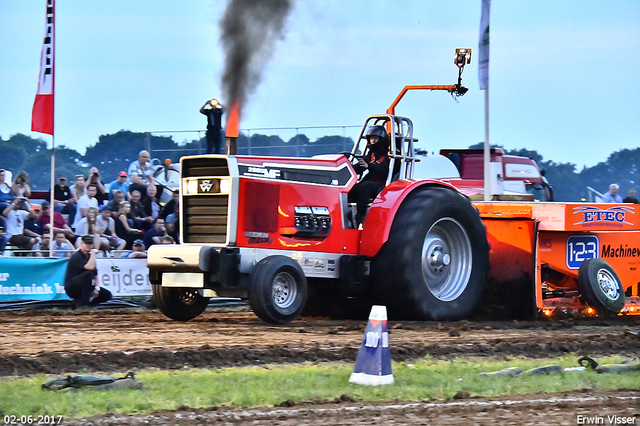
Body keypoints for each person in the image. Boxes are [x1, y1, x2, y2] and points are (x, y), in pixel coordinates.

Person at [347, 125, 391, 226]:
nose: (372, 141)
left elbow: (384, 169)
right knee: (350, 188)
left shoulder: (388, 155)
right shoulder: (371, 155)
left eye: (375, 138)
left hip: (382, 183)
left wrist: (369, 166)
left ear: (381, 139)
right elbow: (360, 167)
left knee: (365, 186)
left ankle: (360, 215)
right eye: (371, 139)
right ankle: (346, 213)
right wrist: (348, 167)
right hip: (370, 182)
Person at [64, 235, 112, 309]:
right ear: (81, 244)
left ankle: (86, 304)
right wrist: (93, 254)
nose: (88, 246)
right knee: (88, 274)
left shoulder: (90, 257)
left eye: (90, 244)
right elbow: (90, 267)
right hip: (71, 286)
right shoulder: (76, 256)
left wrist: (97, 288)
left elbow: (95, 275)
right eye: (86, 244)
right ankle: (83, 304)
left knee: (107, 295)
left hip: (85, 286)